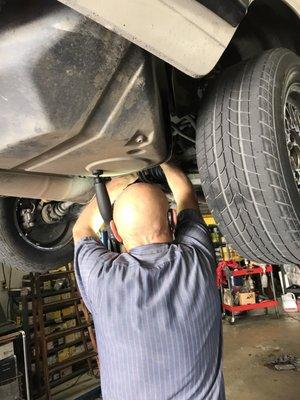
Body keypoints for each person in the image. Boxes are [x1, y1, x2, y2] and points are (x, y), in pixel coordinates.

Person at [73, 163, 225, 400]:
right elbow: (184, 191)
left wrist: (122, 181)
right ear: (172, 219)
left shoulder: (101, 278)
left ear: (115, 231)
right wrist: (155, 162)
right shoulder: (197, 261)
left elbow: (81, 228)